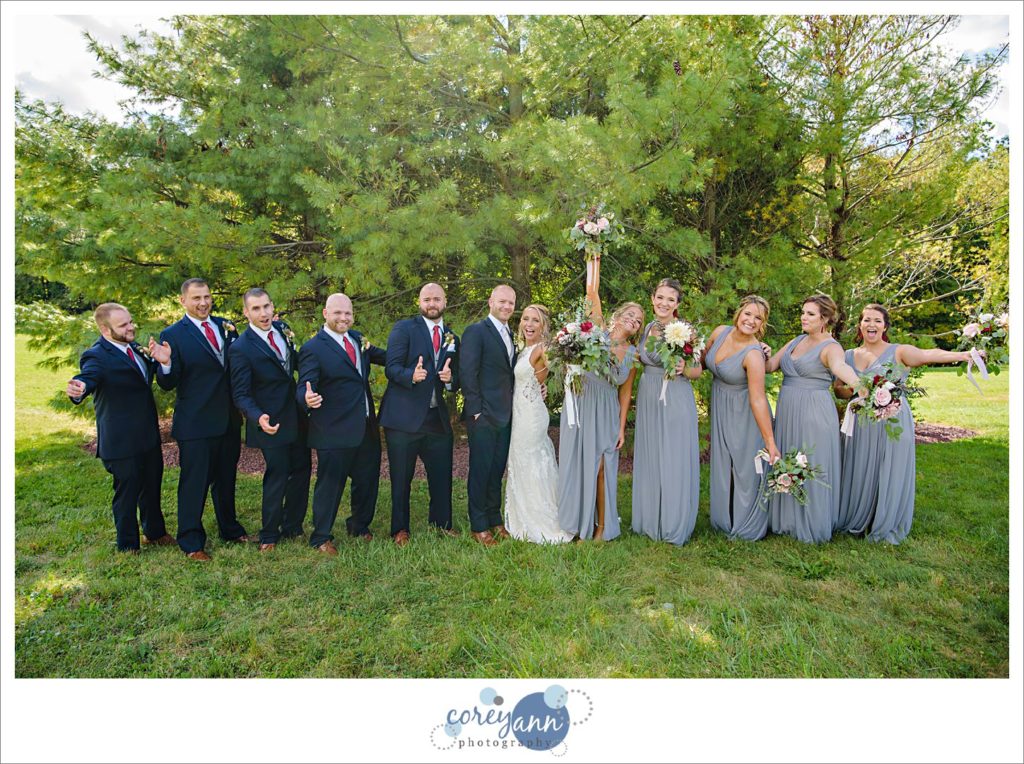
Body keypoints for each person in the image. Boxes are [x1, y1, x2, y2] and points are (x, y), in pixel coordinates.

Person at [834, 303, 976, 544]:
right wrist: (857, 391)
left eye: (877, 320)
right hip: (862, 422)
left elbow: (929, 354)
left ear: (885, 326)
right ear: (859, 325)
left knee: (890, 468)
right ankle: (859, 519)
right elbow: (838, 390)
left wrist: (963, 355)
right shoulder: (847, 355)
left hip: (893, 420)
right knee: (860, 467)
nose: (871, 324)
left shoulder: (899, 352)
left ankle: (886, 521)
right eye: (867, 319)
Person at [157, 278, 255, 561]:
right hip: (196, 422)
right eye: (196, 298)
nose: (203, 303)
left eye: (207, 297)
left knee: (226, 478)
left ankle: (230, 528)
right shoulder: (173, 334)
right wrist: (165, 363)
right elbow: (167, 383)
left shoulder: (227, 326)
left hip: (228, 419)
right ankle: (191, 541)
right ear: (183, 301)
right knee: (194, 482)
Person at [66, 303, 175, 553]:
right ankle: (127, 545)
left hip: (147, 434)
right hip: (121, 439)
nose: (131, 327)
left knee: (151, 485)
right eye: (123, 325)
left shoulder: (135, 348)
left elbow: (159, 378)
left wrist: (164, 362)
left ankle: (155, 532)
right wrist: (79, 388)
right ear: (105, 329)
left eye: (130, 321)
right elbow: (88, 377)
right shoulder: (97, 355)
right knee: (127, 492)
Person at [764, 293, 862, 544]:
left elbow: (840, 367)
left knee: (812, 462)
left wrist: (858, 384)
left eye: (810, 314)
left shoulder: (831, 347)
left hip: (814, 412)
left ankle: (813, 523)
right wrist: (760, 350)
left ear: (825, 319)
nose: (803, 317)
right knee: (789, 458)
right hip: (788, 410)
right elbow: (770, 365)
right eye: (803, 312)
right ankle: (788, 521)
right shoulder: (796, 340)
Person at [557, 253, 641, 542]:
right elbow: (591, 291)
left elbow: (626, 393)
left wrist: (621, 428)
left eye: (639, 320)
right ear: (617, 316)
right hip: (582, 404)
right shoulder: (597, 333)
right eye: (630, 314)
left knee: (602, 468)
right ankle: (579, 525)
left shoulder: (633, 355)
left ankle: (602, 527)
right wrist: (594, 256)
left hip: (606, 410)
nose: (633, 320)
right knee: (580, 467)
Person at [297, 293, 386, 555]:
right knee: (330, 484)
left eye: (347, 313)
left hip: (366, 426)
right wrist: (307, 397)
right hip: (333, 429)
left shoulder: (358, 339)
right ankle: (321, 536)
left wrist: (419, 355)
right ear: (325, 313)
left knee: (367, 480)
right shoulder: (313, 348)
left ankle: (359, 526)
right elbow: (304, 383)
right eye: (337, 313)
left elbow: (386, 357)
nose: (343, 318)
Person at [378, 282, 461, 546]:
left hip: (436, 418)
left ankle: (442, 523)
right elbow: (391, 367)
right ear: (419, 302)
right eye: (427, 299)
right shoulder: (404, 329)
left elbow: (455, 379)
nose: (432, 304)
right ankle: (399, 529)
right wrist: (410, 375)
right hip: (403, 418)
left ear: (445, 301)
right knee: (401, 477)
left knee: (441, 475)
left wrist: (450, 380)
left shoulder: (452, 338)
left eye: (436, 299)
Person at [228, 288, 311, 552]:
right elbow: (240, 393)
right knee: (278, 474)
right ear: (246, 312)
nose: (263, 313)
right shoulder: (240, 348)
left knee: (302, 469)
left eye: (266, 307)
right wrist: (257, 416)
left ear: (273, 306)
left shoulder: (283, 329)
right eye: (256, 309)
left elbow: (293, 365)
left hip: (296, 414)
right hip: (268, 419)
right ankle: (268, 534)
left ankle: (293, 526)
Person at [631, 278, 703, 545]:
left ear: (677, 304)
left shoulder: (685, 330)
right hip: (649, 394)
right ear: (652, 298)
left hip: (674, 394)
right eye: (660, 297)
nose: (664, 303)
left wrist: (686, 368)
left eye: (670, 300)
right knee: (652, 454)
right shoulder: (647, 327)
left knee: (673, 456)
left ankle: (674, 522)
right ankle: (651, 519)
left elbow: (698, 369)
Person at [704, 295, 780, 541]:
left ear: (762, 325)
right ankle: (723, 518)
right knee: (724, 465)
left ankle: (747, 524)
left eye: (758, 318)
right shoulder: (720, 332)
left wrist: (769, 440)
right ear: (739, 313)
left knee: (746, 468)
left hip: (745, 413)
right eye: (748, 313)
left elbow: (758, 398)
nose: (751, 320)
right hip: (721, 407)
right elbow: (699, 363)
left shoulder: (754, 354)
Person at [504, 304, 572, 544]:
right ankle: (523, 515)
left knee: (532, 461)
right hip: (519, 412)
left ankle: (543, 520)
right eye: (525, 319)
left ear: (543, 326)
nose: (529, 324)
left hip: (531, 416)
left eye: (535, 321)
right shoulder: (523, 349)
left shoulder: (544, 348)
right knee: (521, 462)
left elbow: (558, 366)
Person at [459, 284, 518, 547]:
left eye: (511, 303)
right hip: (482, 416)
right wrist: (475, 411)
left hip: (506, 415)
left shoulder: (510, 333)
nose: (506, 307)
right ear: (490, 301)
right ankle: (479, 525)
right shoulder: (476, 331)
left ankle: (495, 520)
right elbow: (467, 373)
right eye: (502, 302)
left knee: (496, 470)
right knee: (481, 471)